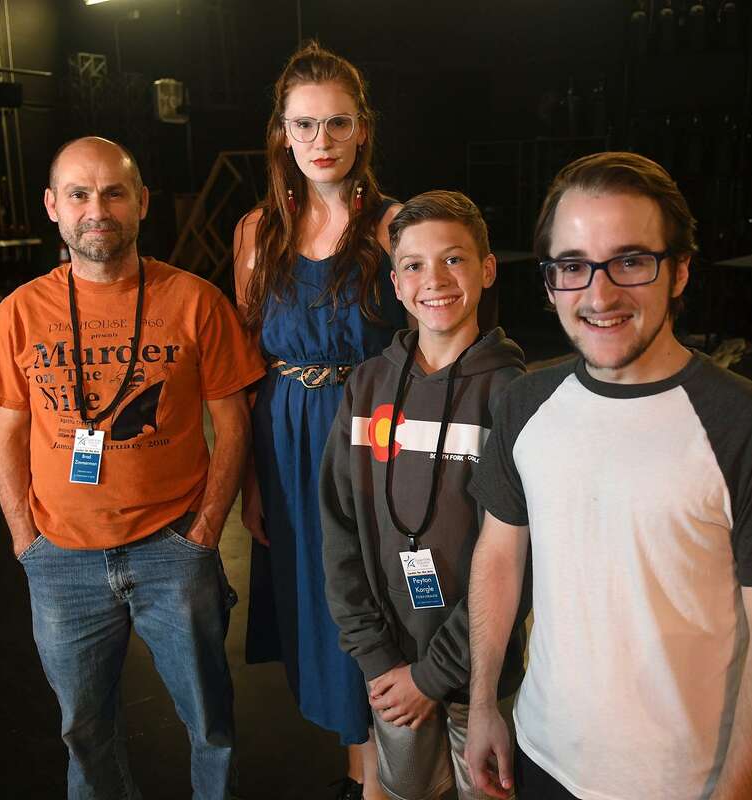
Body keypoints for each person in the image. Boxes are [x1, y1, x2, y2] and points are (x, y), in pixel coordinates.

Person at [463, 152, 752, 800]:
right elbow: (499, 555)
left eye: (630, 260)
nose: (599, 295)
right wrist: (486, 701)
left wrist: (736, 791)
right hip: (540, 755)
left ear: (679, 270)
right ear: (549, 283)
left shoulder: (750, 428)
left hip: (686, 783)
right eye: (573, 266)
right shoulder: (524, 403)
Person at [0, 136, 264, 800]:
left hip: (173, 551)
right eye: (78, 193)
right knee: (84, 730)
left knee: (210, 725)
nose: (96, 209)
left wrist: (207, 530)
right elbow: (6, 436)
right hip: (61, 563)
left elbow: (235, 420)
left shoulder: (194, 301)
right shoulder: (19, 313)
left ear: (141, 202)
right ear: (53, 206)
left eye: (113, 192)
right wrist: (26, 542)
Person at [232, 42, 406, 800]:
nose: (321, 141)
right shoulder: (256, 231)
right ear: (282, 132)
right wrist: (248, 480)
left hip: (369, 437)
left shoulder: (396, 226)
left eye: (337, 122)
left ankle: (385, 780)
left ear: (363, 129)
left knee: (373, 600)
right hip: (283, 437)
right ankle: (356, 772)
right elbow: (242, 366)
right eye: (304, 125)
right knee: (316, 600)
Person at [319, 191, 528, 800]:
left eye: (454, 260)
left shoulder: (513, 397)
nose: (433, 280)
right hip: (390, 668)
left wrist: (434, 675)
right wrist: (378, 658)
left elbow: (522, 559)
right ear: (395, 280)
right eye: (413, 264)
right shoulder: (368, 384)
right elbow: (338, 528)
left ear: (487, 270)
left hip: (480, 678)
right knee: (409, 791)